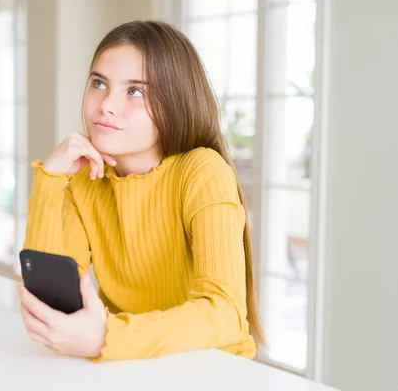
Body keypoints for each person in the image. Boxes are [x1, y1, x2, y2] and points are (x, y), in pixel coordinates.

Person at [17, 20, 264, 362]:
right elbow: (51, 306)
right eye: (99, 83)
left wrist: (108, 336)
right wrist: (49, 180)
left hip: (212, 368)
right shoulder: (85, 179)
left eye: (135, 91)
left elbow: (225, 313)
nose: (106, 105)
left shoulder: (203, 172)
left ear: (175, 102)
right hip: (129, 364)